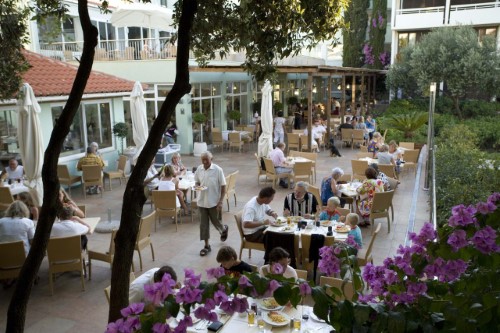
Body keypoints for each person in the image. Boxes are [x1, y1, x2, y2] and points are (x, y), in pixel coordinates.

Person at [194, 151, 228, 257]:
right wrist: (197, 186)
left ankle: (223, 229)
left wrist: (221, 201)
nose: (204, 162)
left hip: (214, 201)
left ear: (211, 159)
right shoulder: (199, 169)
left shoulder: (218, 170)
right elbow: (196, 182)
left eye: (206, 160)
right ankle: (206, 246)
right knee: (203, 225)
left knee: (216, 221)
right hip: (201, 202)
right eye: (202, 160)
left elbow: (223, 186)